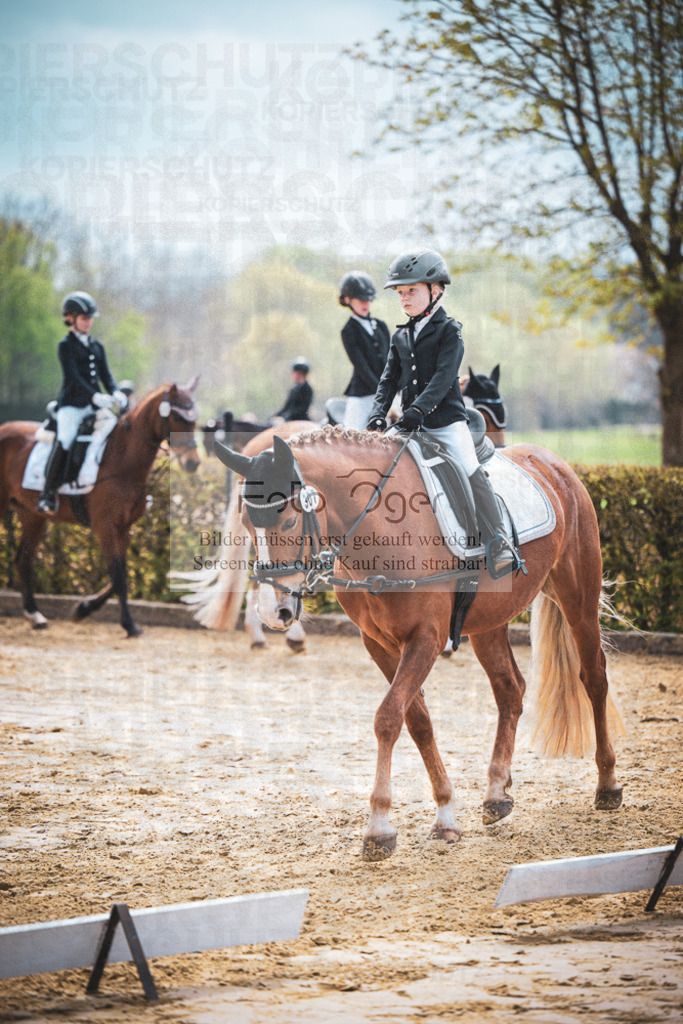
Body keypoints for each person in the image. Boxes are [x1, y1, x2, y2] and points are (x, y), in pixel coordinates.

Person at [366, 249, 521, 578]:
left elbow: (442, 377)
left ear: (435, 290)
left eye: (412, 291)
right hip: (411, 425)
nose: (404, 299)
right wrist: (378, 414)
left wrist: (418, 409)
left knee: (469, 468)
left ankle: (499, 540)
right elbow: (388, 379)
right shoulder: (401, 335)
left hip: (446, 423)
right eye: (401, 293)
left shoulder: (451, 331)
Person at [36, 292, 128, 515]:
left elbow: (106, 376)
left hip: (95, 405)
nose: (88, 322)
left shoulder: (97, 347)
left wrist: (116, 392)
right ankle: (47, 494)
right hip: (71, 405)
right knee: (66, 439)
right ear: (71, 318)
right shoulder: (65, 346)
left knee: (116, 432)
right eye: (84, 318)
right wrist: (94, 396)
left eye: (90, 318)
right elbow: (73, 377)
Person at [338, 271, 390, 430]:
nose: (366, 304)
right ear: (347, 300)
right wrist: (383, 391)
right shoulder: (348, 330)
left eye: (368, 299)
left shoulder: (381, 326)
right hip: (362, 395)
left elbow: (392, 359)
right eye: (361, 300)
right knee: (351, 437)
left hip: (387, 392)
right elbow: (361, 366)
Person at [273, 357, 313, 422]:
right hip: (289, 418)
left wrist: (286, 417)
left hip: (300, 420)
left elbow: (302, 409)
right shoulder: (294, 389)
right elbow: (286, 406)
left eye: (297, 373)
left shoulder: (308, 389)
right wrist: (276, 416)